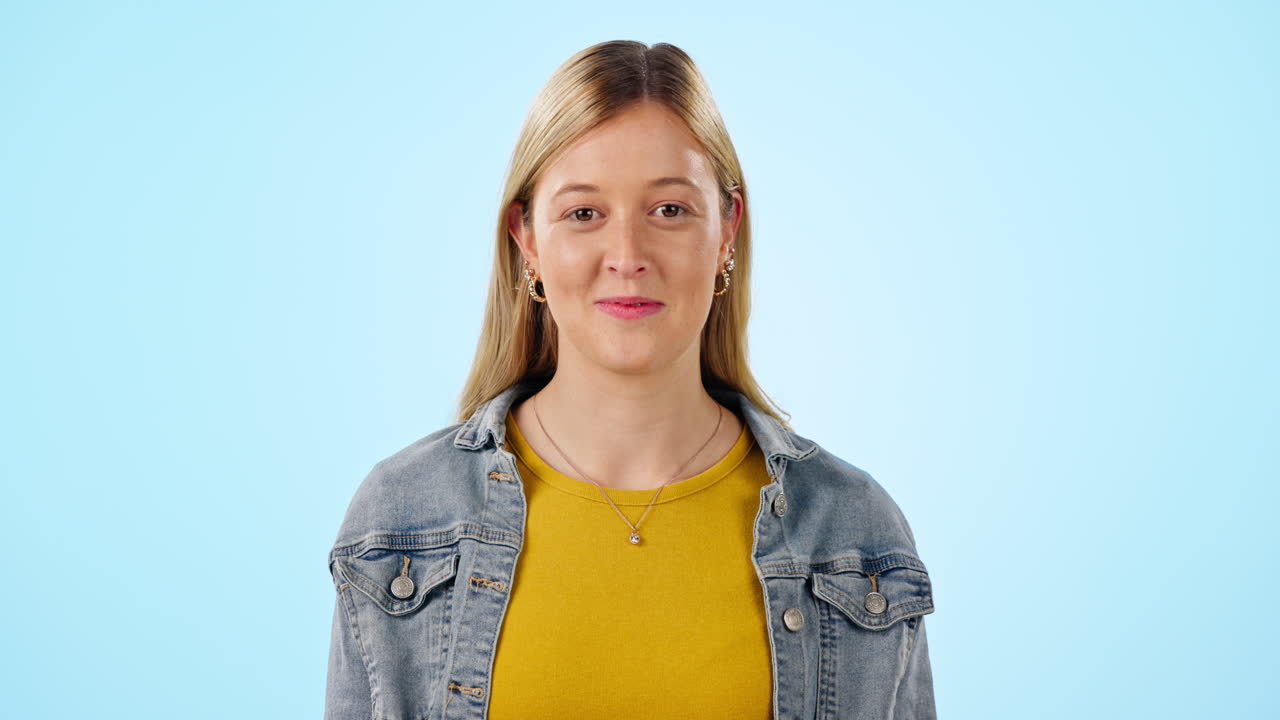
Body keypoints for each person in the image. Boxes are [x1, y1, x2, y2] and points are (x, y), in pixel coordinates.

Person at [324, 40, 936, 720]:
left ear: (727, 230)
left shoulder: (852, 531)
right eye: (584, 213)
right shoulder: (403, 519)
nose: (628, 256)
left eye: (669, 210)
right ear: (526, 240)